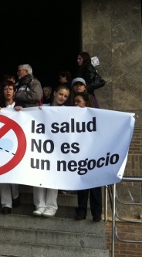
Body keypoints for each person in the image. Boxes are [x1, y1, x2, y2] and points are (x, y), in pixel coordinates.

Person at [33, 85, 70, 217]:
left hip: (58, 150)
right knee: (39, 176)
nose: (62, 98)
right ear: (54, 93)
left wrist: (82, 110)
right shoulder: (43, 108)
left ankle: (51, 206)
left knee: (53, 177)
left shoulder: (68, 111)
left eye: (65, 96)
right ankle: (39, 205)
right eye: (60, 94)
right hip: (40, 147)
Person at [0, 81, 23, 214]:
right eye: (5, 88)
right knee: (2, 174)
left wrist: (22, 111)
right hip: (1, 143)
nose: (8, 91)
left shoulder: (21, 107)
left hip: (16, 144)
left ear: (14, 92)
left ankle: (15, 194)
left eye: (10, 89)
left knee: (13, 174)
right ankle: (6, 204)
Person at [73, 92, 103, 222]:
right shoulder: (71, 116)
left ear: (86, 102)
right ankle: (81, 211)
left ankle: (97, 213)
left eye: (78, 101)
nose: (76, 104)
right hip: (80, 155)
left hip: (94, 155)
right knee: (82, 185)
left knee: (95, 186)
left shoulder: (95, 116)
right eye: (74, 102)